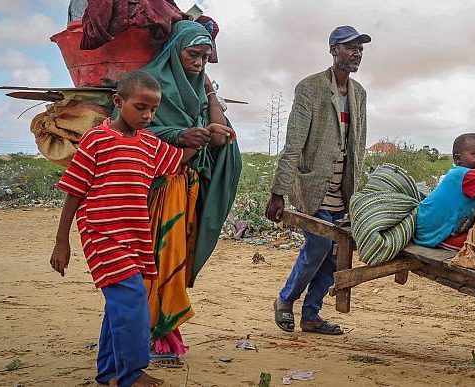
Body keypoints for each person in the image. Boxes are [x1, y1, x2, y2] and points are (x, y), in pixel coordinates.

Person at [49, 71, 234, 387]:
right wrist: (61, 242)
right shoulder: (97, 140)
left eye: (153, 109)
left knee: (119, 305)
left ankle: (108, 372)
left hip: (136, 237)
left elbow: (176, 161)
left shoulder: (149, 143)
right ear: (119, 102)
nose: (148, 115)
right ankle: (131, 374)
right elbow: (74, 191)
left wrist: (202, 136)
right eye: (140, 107)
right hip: (101, 234)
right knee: (133, 299)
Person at [137, 20, 243, 360]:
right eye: (192, 54)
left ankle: (164, 337)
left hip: (186, 189)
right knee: (155, 263)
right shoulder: (149, 85)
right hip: (156, 190)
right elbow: (130, 135)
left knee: (175, 264)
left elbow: (217, 136)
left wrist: (210, 92)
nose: (198, 63)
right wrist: (180, 137)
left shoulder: (198, 90)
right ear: (174, 51)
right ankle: (146, 337)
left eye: (205, 57)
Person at [266, 25, 370, 335]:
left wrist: (358, 194)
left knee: (335, 254)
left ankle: (311, 315)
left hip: (343, 189)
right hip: (314, 187)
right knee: (319, 244)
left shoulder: (359, 93)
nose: (357, 53)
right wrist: (278, 192)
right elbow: (294, 143)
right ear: (333, 49)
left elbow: (359, 145)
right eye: (350, 47)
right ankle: (286, 300)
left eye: (360, 49)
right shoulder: (310, 88)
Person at [413, 133, 475, 251]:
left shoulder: (472, 178)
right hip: (434, 235)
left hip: (431, 229)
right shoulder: (463, 173)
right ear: (458, 159)